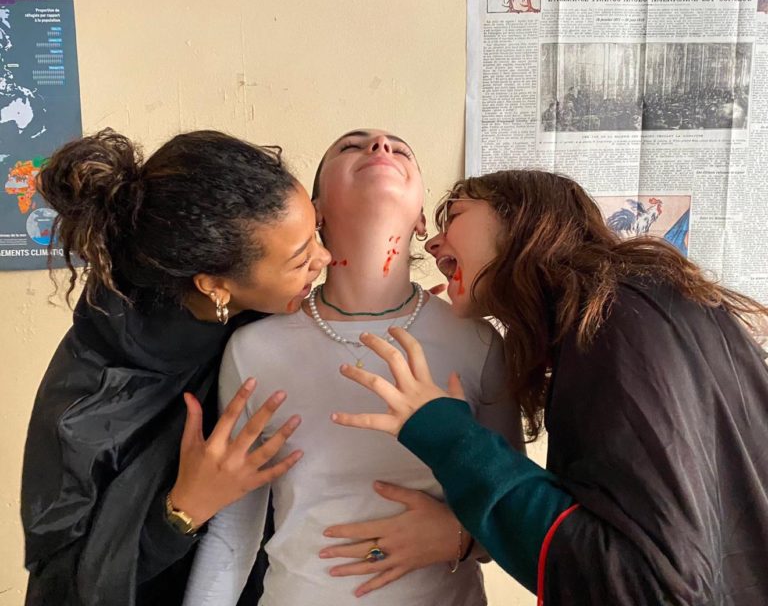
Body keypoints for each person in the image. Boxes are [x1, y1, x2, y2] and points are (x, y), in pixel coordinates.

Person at [332, 169, 768, 606]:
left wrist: (445, 435)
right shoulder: (653, 302)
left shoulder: (615, 317)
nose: (432, 243)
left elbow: (643, 586)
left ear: (521, 217)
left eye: (456, 215)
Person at [182, 129, 523, 606]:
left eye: (400, 149)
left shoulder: (478, 341)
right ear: (315, 211)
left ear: (423, 220)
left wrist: (460, 537)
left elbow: (514, 512)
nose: (380, 147)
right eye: (351, 146)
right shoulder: (252, 348)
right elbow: (234, 532)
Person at [21, 129, 331, 606]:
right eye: (300, 259)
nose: (324, 258)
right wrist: (183, 508)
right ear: (215, 286)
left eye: (317, 234)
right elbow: (61, 586)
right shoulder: (89, 399)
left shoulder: (260, 320)